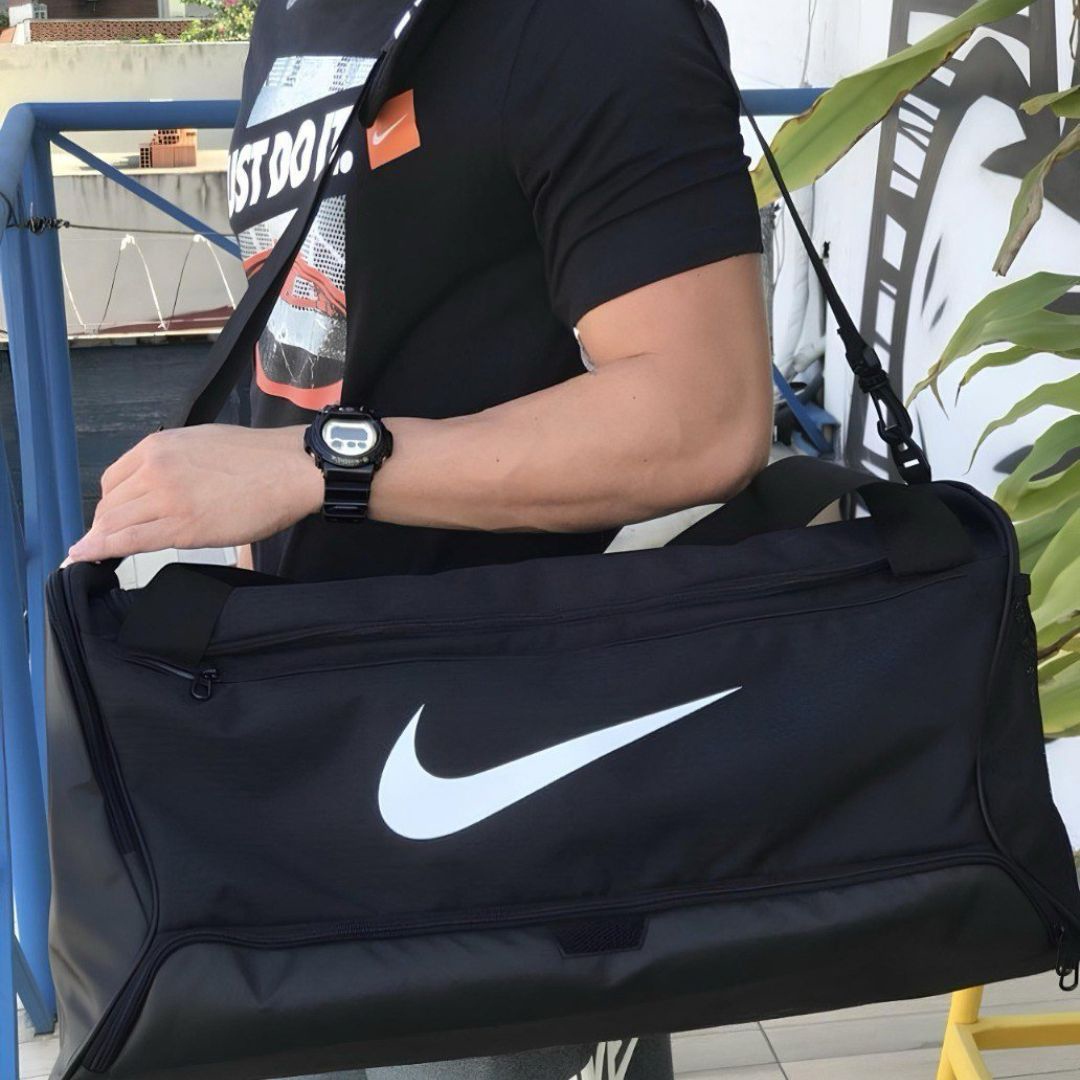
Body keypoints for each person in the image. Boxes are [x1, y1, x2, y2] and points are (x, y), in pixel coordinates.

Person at [68, 0, 773, 1075]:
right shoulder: (293, 14)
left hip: (511, 764)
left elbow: (705, 414)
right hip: (312, 732)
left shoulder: (595, 21)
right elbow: (320, 345)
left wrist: (311, 466)